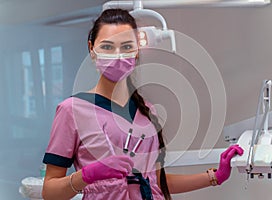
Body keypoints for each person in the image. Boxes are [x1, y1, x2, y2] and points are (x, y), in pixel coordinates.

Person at [42, 8, 243, 200]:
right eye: (107, 47)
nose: (118, 55)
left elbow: (155, 182)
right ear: (91, 49)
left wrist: (215, 177)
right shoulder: (72, 110)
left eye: (127, 47)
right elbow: (49, 192)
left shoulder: (146, 110)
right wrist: (85, 176)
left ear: (137, 51)